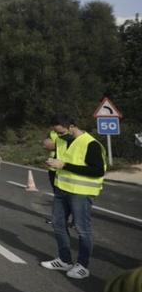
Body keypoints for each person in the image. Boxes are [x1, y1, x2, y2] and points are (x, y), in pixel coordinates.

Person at [40, 114, 106, 280]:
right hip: (62, 189)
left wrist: (64, 165)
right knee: (57, 224)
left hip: (81, 193)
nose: (58, 136)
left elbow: (98, 170)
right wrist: (53, 163)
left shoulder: (91, 144)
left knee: (82, 229)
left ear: (71, 126)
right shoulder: (63, 141)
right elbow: (62, 162)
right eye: (56, 133)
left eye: (61, 132)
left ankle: (82, 266)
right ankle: (64, 260)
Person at [43, 120, 72, 227]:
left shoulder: (72, 133)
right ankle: (58, 218)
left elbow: (51, 145)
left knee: (70, 196)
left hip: (67, 168)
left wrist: (54, 144)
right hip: (53, 168)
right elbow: (46, 144)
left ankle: (73, 220)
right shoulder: (52, 133)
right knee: (57, 195)